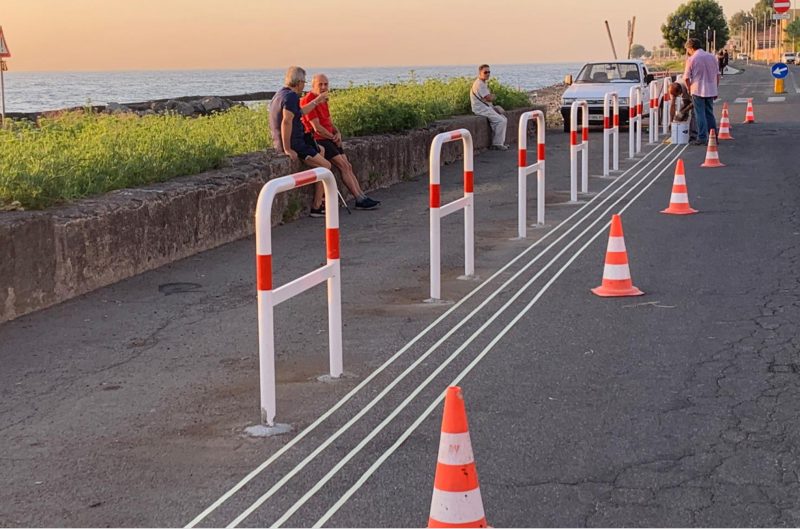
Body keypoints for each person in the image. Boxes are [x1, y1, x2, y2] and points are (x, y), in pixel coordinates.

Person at [301, 74, 381, 210]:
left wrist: (337, 133)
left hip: (330, 138)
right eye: (320, 84)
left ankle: (362, 196)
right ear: (313, 85)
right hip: (320, 139)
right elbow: (317, 127)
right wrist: (332, 137)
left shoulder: (323, 100)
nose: (323, 87)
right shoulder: (309, 100)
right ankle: (359, 198)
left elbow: (329, 123)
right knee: (343, 165)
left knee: (348, 165)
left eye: (326, 84)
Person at [269, 66, 331, 217]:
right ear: (298, 82)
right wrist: (288, 148)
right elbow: (287, 122)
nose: (304, 85)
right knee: (326, 166)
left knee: (321, 150)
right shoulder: (291, 97)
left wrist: (317, 101)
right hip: (296, 143)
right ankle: (317, 205)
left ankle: (320, 200)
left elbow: (300, 112)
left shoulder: (280, 94)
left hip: (295, 140)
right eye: (303, 82)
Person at [683, 38, 720, 145]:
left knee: (700, 114)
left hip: (697, 89)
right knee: (709, 113)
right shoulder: (712, 57)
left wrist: (689, 88)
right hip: (711, 89)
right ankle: (713, 136)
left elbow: (686, 77)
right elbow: (717, 74)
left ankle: (702, 137)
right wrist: (715, 89)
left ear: (691, 48)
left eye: (688, 49)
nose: (688, 52)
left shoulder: (691, 59)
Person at [470, 64, 508, 150]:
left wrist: (490, 98)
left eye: (489, 72)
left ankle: (500, 142)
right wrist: (492, 96)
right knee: (500, 121)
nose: (487, 74)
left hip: (485, 107)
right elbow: (489, 98)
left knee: (503, 118)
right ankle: (497, 144)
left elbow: (487, 98)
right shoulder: (480, 84)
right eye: (485, 72)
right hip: (481, 109)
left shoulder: (482, 83)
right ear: (480, 73)